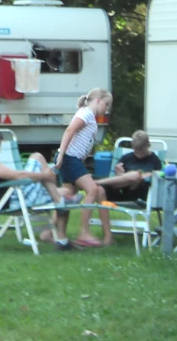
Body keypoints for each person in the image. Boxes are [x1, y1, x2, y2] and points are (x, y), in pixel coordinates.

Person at [0, 126, 78, 251]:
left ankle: (63, 241)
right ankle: (59, 202)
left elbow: (14, 175)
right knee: (37, 156)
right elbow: (18, 175)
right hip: (16, 199)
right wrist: (45, 175)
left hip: (16, 196)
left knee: (65, 192)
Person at [55, 88, 114, 248]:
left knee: (66, 195)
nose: (106, 109)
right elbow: (70, 130)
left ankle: (54, 231)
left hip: (73, 160)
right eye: (106, 104)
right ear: (97, 100)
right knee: (93, 190)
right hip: (70, 159)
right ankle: (84, 232)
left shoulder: (88, 115)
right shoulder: (86, 113)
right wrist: (61, 154)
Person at [96, 130, 163, 202]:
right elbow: (117, 181)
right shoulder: (126, 158)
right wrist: (119, 174)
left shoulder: (154, 160)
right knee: (100, 189)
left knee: (136, 175)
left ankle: (96, 182)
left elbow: (155, 178)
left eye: (141, 150)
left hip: (140, 195)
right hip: (122, 191)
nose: (139, 153)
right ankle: (97, 185)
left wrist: (135, 176)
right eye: (136, 150)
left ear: (148, 145)